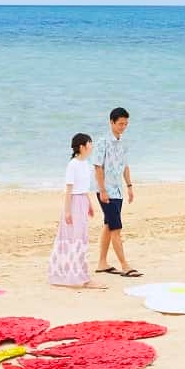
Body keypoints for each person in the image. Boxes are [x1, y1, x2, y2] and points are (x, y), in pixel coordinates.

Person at [49, 134, 106, 289]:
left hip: (82, 202)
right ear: (82, 146)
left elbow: (84, 188)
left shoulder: (86, 164)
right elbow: (69, 190)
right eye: (89, 143)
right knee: (74, 238)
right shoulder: (73, 165)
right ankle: (80, 278)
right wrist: (67, 212)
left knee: (81, 238)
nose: (91, 146)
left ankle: (80, 275)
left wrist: (89, 204)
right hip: (73, 203)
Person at [92, 106, 140, 278]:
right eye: (120, 124)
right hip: (106, 191)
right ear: (111, 122)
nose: (123, 127)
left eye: (126, 124)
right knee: (116, 228)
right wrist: (102, 190)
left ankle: (102, 263)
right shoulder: (102, 142)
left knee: (108, 225)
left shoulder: (123, 143)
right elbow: (97, 167)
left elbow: (125, 166)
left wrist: (129, 186)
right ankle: (125, 266)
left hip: (118, 191)